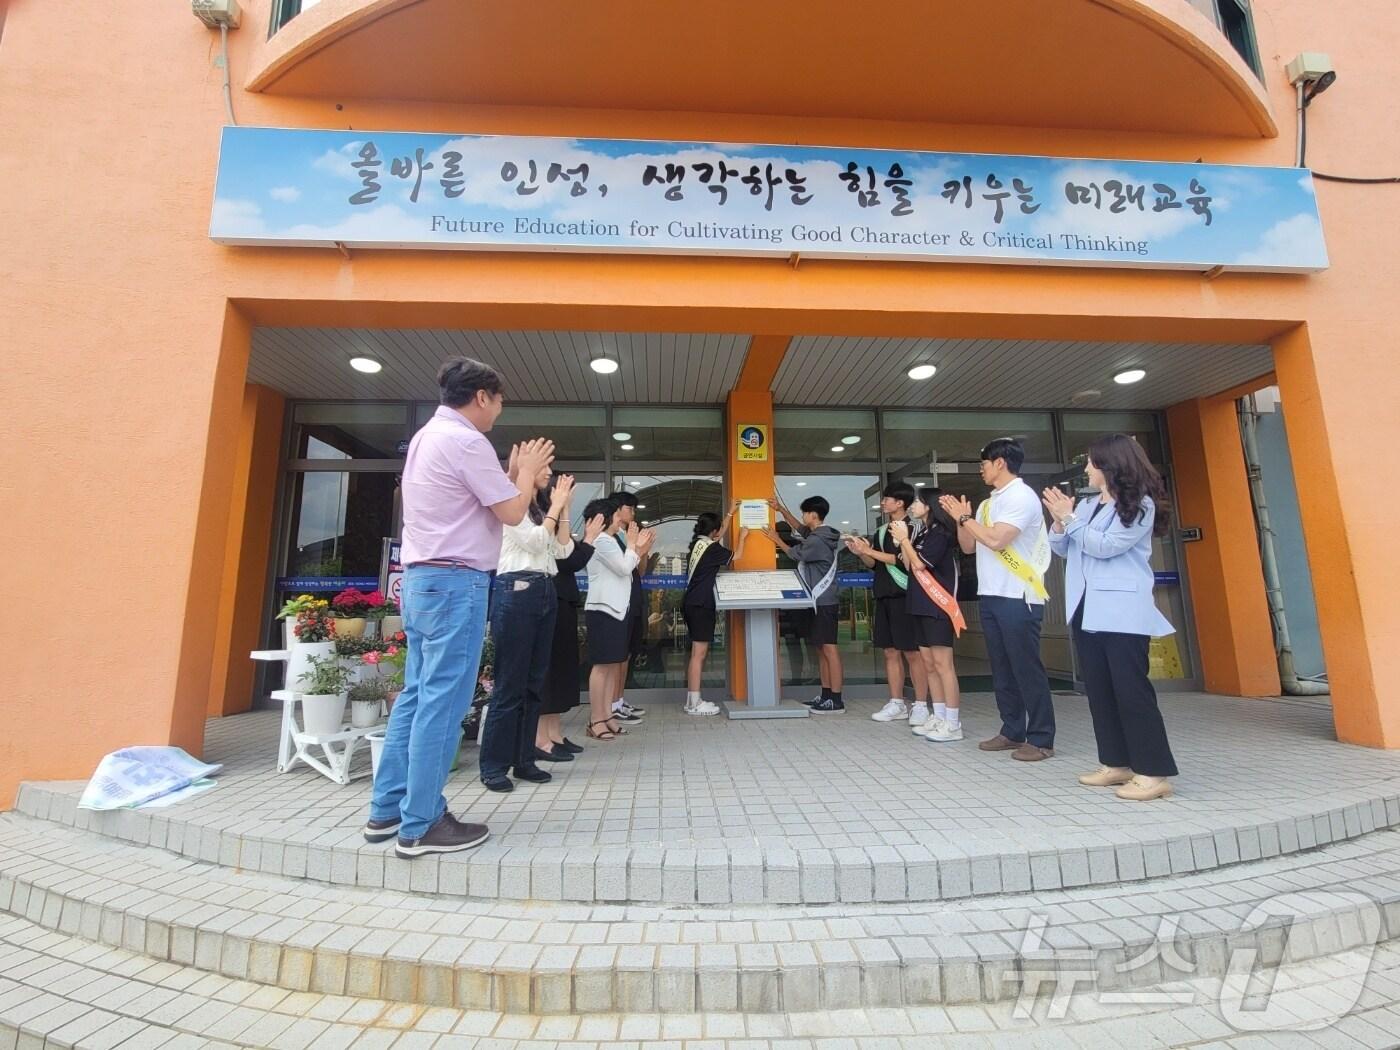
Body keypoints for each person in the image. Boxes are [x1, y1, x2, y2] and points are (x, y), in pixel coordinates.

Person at [364, 356, 554, 858]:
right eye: (499, 399)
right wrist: (528, 474)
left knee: (416, 696)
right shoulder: (466, 440)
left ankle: (388, 809)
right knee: (443, 704)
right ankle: (422, 823)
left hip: (426, 579)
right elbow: (513, 512)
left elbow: (484, 497)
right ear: (483, 396)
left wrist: (512, 471)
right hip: (456, 583)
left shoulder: (431, 435)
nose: (500, 409)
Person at [1043, 434, 1179, 801]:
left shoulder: (1139, 505)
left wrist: (1068, 519)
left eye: (1091, 462)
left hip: (1122, 612)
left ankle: (1153, 772)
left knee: (1131, 691)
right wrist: (1058, 523)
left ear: (1110, 465)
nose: (1086, 468)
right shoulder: (1087, 507)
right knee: (1100, 691)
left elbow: (1104, 547)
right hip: (1086, 609)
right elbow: (1064, 548)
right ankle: (1116, 763)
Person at [941, 438, 1056, 762]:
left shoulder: (1021, 496)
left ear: (1001, 463)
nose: (982, 470)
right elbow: (968, 546)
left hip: (1018, 595)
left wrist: (966, 520)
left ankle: (1042, 738)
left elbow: (996, 538)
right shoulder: (989, 502)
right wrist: (961, 519)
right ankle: (1012, 730)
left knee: (1025, 667)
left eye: (984, 464)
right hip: (991, 594)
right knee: (1003, 668)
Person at [477, 471, 577, 793]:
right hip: (517, 589)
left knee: (535, 684)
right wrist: (555, 508)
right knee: (510, 685)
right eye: (544, 469)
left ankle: (523, 759)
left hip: (545, 590)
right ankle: (493, 765)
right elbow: (534, 541)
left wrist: (563, 509)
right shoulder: (512, 505)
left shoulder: (541, 508)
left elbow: (562, 552)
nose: (550, 475)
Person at [846, 482, 931, 724]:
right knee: (889, 651)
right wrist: (861, 551)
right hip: (883, 595)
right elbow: (875, 565)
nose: (883, 502)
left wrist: (870, 552)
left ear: (900, 503)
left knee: (913, 652)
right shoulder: (882, 530)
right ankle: (896, 702)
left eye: (887, 499)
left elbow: (902, 560)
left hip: (906, 595)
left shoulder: (914, 527)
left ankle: (921, 704)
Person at [890, 488, 965, 742]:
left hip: (937, 605)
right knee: (929, 665)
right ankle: (939, 715)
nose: (913, 506)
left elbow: (921, 564)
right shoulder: (921, 532)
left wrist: (904, 541)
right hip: (919, 603)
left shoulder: (941, 534)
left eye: (919, 501)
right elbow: (910, 564)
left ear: (930, 506)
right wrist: (904, 542)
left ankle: (953, 723)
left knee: (944, 665)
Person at [537, 494, 606, 762]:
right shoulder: (543, 528)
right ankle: (540, 738)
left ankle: (554, 733)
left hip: (564, 602)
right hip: (549, 600)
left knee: (561, 672)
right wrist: (588, 539)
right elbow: (570, 562)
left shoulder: (559, 531)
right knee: (549, 670)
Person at [765, 495, 844, 712]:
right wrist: (780, 508)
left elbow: (794, 553)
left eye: (804, 512)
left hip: (824, 601)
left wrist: (775, 539)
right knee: (821, 649)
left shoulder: (819, 540)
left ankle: (836, 699)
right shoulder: (820, 533)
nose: (802, 517)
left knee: (829, 649)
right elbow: (799, 527)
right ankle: (825, 694)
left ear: (813, 515)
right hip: (818, 600)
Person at [585, 498, 655, 740]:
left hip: (616, 609)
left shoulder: (610, 541)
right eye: (615, 515)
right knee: (602, 666)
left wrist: (636, 548)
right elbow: (625, 568)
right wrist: (635, 546)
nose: (620, 519)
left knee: (612, 665)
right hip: (604, 609)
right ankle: (596, 719)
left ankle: (607, 716)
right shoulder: (602, 541)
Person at [682, 501, 747, 714]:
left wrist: (729, 514)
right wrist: (743, 538)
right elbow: (736, 557)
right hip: (701, 604)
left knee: (696, 653)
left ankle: (692, 699)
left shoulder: (697, 544)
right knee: (698, 654)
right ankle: (694, 702)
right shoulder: (711, 549)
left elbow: (717, 535)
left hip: (691, 602)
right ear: (713, 531)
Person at [610, 491, 648, 725]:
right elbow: (621, 567)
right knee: (617, 654)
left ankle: (619, 699)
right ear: (618, 510)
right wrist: (635, 547)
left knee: (627, 653)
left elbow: (640, 569)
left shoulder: (627, 535)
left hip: (634, 595)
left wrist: (643, 550)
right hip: (618, 599)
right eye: (630, 508)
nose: (633, 513)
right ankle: (612, 704)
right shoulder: (610, 536)